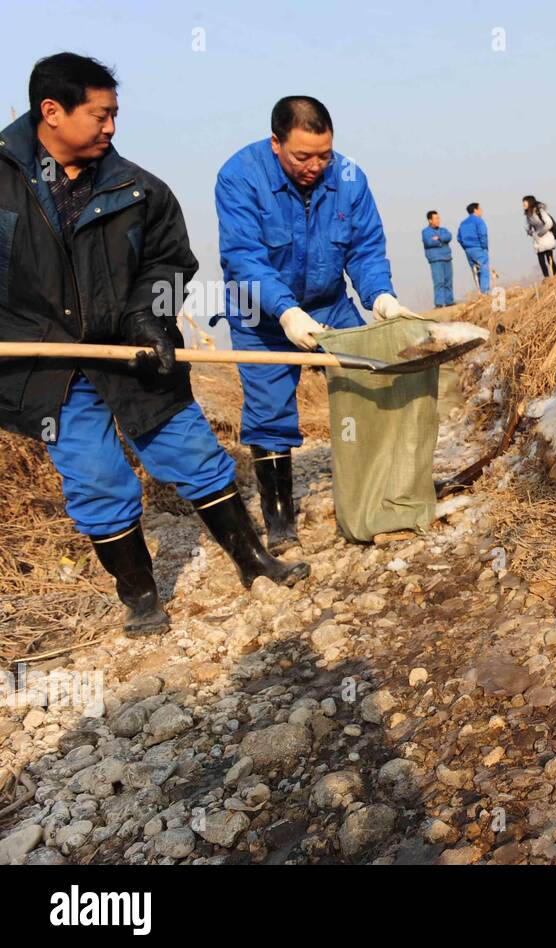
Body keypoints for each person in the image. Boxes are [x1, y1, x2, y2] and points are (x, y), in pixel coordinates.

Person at [0, 54, 306, 637]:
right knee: (94, 477)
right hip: (46, 367)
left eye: (114, 114)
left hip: (133, 353)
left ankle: (254, 561)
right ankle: (140, 597)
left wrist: (148, 317)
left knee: (192, 452)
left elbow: (170, 263)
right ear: (52, 112)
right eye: (101, 115)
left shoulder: (139, 190)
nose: (112, 126)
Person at [215, 95, 423, 553]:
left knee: (369, 381)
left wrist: (381, 297)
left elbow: (365, 248)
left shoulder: (349, 177)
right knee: (270, 412)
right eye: (302, 157)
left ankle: (378, 493)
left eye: (324, 155)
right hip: (263, 314)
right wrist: (286, 311)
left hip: (329, 304)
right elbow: (244, 257)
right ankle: (280, 521)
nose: (315, 166)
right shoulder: (239, 176)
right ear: (276, 143)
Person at [456, 202, 491, 295]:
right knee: (484, 270)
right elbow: (483, 234)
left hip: (468, 250)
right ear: (475, 210)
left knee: (475, 272)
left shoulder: (463, 223)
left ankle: (480, 291)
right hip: (478, 248)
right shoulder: (479, 221)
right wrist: (484, 247)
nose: (481, 211)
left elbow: (459, 238)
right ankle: (485, 293)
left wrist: (466, 247)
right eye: (480, 209)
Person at [523, 195, 556, 278]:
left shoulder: (539, 211)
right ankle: (546, 278)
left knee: (550, 259)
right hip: (538, 241)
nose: (523, 204)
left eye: (524, 202)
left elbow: (549, 223)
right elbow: (529, 226)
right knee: (541, 261)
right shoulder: (528, 215)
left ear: (529, 202)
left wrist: (540, 233)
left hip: (546, 238)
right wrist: (530, 232)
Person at [422, 210, 454, 307]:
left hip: (447, 257)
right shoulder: (426, 231)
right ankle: (439, 303)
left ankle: (449, 302)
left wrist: (439, 238)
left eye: (438, 218)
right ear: (430, 220)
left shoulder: (443, 230)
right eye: (436, 218)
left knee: (448, 281)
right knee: (439, 282)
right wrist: (442, 241)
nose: (438, 220)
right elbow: (429, 242)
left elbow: (449, 236)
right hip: (436, 259)